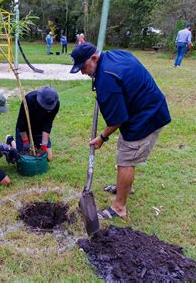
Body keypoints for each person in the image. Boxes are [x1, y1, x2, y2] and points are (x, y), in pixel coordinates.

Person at [69, 42, 171, 220]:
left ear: (94, 58)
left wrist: (101, 137)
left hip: (146, 116)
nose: (82, 72)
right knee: (125, 148)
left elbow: (117, 119)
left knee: (126, 158)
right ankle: (126, 187)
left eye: (83, 67)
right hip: (146, 108)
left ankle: (119, 208)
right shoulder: (114, 55)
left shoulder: (106, 79)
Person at [15, 86, 60, 161]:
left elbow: (48, 125)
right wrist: (26, 142)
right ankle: (11, 141)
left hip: (40, 130)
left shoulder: (55, 104)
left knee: (48, 158)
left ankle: (37, 144)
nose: (48, 111)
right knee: (22, 158)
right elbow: (21, 122)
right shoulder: (29, 99)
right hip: (24, 129)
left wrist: (44, 145)